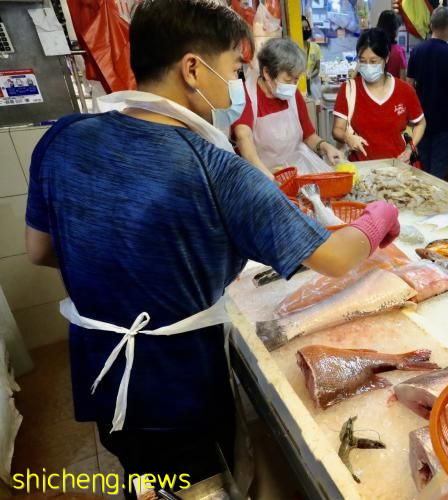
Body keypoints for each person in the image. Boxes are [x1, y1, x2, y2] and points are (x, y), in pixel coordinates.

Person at [24, 0, 399, 496]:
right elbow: (333, 258)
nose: (239, 85)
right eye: (235, 69)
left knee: (141, 474)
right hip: (178, 388)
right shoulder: (215, 167)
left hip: (101, 370)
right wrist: (378, 219)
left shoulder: (63, 137)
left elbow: (41, 251)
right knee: (190, 482)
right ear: (193, 69)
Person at [233, 38, 342, 177]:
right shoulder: (246, 95)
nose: (292, 85)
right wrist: (266, 176)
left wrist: (326, 147)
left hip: (296, 170)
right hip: (260, 175)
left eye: (296, 80)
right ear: (266, 72)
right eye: (288, 80)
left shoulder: (293, 94)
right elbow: (244, 138)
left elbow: (309, 136)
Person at [332, 29, 426, 162]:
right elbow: (337, 129)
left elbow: (420, 123)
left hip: (398, 167)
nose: (367, 66)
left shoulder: (405, 90)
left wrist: (410, 148)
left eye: (373, 61)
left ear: (386, 58)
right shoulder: (349, 89)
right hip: (362, 169)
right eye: (363, 61)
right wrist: (347, 137)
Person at [407, 6, 448, 178]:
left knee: (422, 163)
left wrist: (411, 113)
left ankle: (421, 200)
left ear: (431, 26)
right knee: (438, 167)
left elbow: (409, 85)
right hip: (443, 119)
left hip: (421, 118)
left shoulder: (416, 51)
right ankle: (434, 202)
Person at [377, 10, 407, 79]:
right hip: (394, 89)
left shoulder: (373, 48)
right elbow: (403, 79)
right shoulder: (399, 52)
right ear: (394, 30)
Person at [303, 15, 322, 102]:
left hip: (312, 87)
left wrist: (310, 75)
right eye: (303, 28)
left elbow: (317, 69)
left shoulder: (315, 47)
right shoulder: (294, 49)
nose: (306, 30)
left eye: (307, 27)